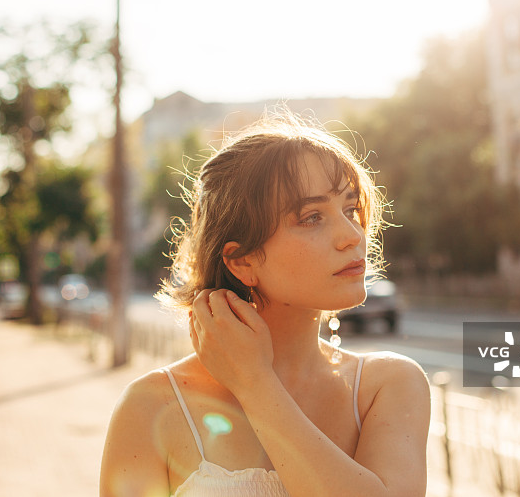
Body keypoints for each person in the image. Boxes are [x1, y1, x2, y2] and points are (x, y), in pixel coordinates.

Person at [100, 111, 431, 496]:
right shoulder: (151, 407)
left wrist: (256, 384)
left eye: (349, 208)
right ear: (242, 260)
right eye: (311, 217)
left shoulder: (387, 385)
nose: (352, 235)